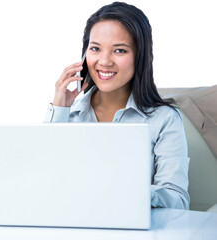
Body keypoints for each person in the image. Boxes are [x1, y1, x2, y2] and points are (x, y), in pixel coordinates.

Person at [44, 2, 190, 209]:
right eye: (95, 48)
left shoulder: (164, 119)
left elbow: (178, 200)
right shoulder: (68, 115)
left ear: (140, 57)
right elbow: (43, 184)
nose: (104, 61)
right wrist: (59, 108)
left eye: (119, 50)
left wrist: (128, 191)